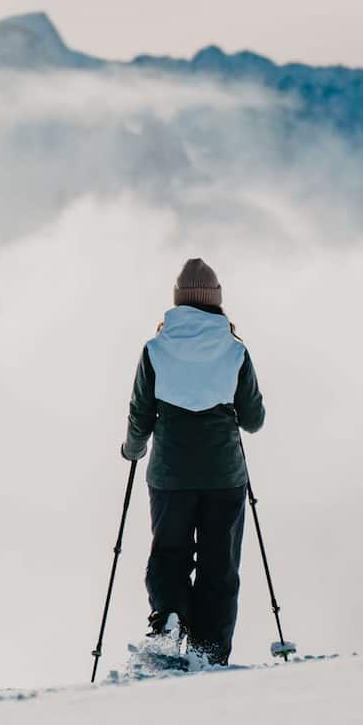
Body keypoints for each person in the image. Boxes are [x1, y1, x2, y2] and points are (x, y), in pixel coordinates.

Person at [122, 258, 266, 665]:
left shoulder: (155, 350)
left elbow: (140, 414)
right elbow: (253, 420)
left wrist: (133, 449)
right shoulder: (235, 350)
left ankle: (168, 618)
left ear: (178, 301)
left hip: (170, 474)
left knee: (169, 552)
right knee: (219, 564)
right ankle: (210, 650)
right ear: (215, 300)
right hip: (224, 474)